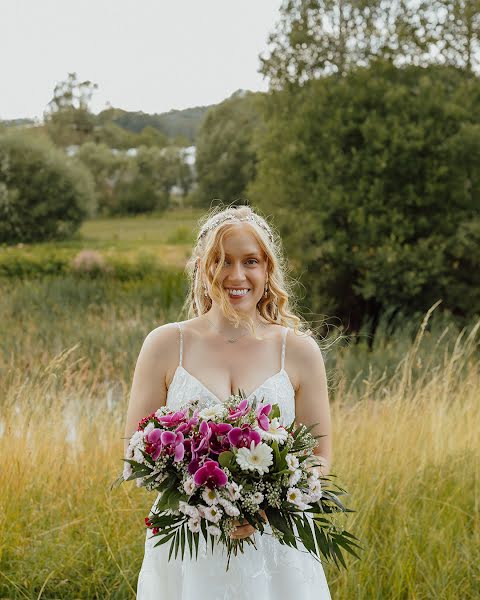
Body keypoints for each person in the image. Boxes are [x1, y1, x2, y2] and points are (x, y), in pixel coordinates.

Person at [124, 204, 332, 599]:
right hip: (189, 543)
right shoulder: (165, 345)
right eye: (222, 261)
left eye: (250, 261)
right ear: (202, 268)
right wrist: (199, 497)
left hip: (275, 543)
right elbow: (136, 454)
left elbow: (319, 456)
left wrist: (266, 504)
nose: (236, 276)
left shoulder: (300, 351)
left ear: (267, 270)